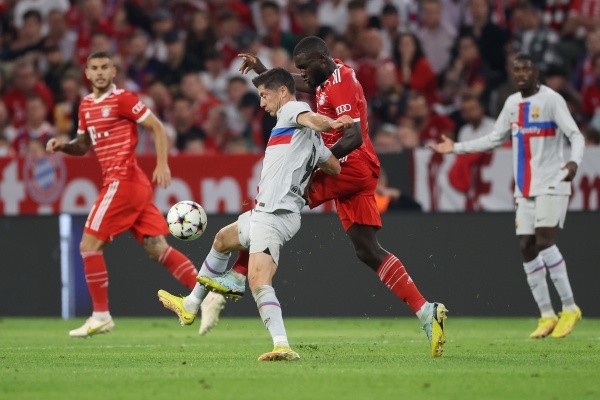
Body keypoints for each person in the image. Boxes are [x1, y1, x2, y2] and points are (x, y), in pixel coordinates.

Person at [205, 36, 448, 358]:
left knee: (277, 199)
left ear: (322, 59)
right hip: (357, 170)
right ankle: (426, 311)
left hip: (351, 164)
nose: (303, 76)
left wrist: (317, 158)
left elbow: (354, 135)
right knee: (367, 249)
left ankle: (236, 276)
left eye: (306, 68)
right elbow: (299, 85)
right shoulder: (326, 76)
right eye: (300, 70)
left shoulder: (341, 84)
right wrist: (265, 72)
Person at [157, 67, 345, 361]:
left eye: (264, 95)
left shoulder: (293, 109)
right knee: (221, 239)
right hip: (265, 212)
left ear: (282, 92)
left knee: (259, 280)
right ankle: (192, 305)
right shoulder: (311, 141)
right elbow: (335, 168)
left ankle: (281, 344)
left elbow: (312, 120)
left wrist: (330, 123)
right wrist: (306, 168)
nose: (261, 103)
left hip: (275, 215)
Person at [45, 51, 225, 337]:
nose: (101, 72)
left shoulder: (124, 99)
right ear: (87, 74)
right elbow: (82, 145)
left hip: (123, 180)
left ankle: (101, 315)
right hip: (131, 185)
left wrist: (162, 162)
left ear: (113, 70)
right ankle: (207, 295)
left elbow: (156, 126)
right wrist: (62, 146)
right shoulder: (86, 106)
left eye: (105, 67)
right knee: (157, 249)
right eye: (95, 68)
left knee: (88, 246)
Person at [429, 53, 585, 339]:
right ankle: (546, 314)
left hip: (553, 180)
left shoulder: (551, 100)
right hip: (525, 187)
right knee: (527, 245)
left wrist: (573, 162)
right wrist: (456, 148)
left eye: (527, 68)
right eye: (517, 69)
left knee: (544, 241)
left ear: (537, 72)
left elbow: (575, 135)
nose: (522, 73)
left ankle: (570, 307)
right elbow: (494, 138)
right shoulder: (513, 104)